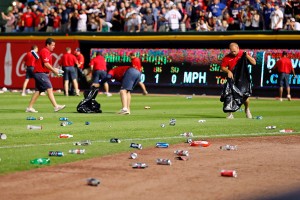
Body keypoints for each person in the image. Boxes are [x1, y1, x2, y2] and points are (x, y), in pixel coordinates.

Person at [26, 38, 66, 113]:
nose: (54, 46)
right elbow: (46, 64)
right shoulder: (45, 51)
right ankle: (56, 106)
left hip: (40, 73)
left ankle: (29, 108)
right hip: (40, 73)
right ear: (48, 45)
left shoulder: (46, 51)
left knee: (38, 91)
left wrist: (55, 70)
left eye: (54, 45)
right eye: (52, 45)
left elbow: (47, 65)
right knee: (49, 88)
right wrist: (55, 71)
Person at [221, 42, 256, 119]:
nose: (233, 53)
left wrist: (246, 56)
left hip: (243, 80)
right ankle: (230, 113)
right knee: (229, 96)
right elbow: (223, 67)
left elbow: (254, 62)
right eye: (231, 51)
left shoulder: (243, 54)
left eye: (234, 51)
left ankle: (247, 109)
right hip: (232, 79)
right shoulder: (227, 57)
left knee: (245, 97)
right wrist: (228, 71)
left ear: (238, 48)